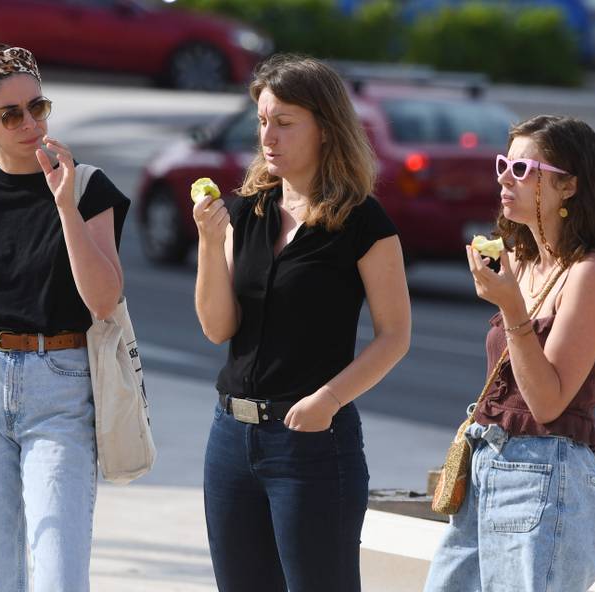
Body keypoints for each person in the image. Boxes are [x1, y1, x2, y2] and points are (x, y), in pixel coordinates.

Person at [0, 36, 129, 592]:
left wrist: (63, 204)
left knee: (59, 571)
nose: (30, 123)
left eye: (39, 107)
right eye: (11, 114)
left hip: (62, 387)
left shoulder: (87, 188)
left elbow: (104, 300)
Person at [193, 54, 412, 592]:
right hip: (230, 438)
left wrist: (328, 401)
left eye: (285, 122)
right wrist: (208, 241)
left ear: (325, 128)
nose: (269, 135)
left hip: (312, 444)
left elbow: (395, 336)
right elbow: (218, 328)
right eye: (263, 120)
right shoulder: (246, 210)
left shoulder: (362, 220)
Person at [424, 115, 595, 592]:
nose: (503, 177)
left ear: (569, 186)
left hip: (545, 477)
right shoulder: (520, 260)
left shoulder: (591, 275)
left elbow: (547, 402)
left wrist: (511, 307)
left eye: (522, 169)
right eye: (505, 163)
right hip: (486, 467)